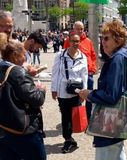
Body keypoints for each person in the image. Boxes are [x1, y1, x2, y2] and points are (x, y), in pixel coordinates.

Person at [78, 20, 127, 160]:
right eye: (102, 38)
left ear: (118, 40)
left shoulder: (117, 59)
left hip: (110, 120)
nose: (103, 41)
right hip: (121, 117)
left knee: (107, 153)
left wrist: (90, 94)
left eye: (107, 38)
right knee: (117, 152)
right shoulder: (126, 55)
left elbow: (112, 95)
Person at [0, 32, 46, 160]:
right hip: (23, 130)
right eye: (23, 55)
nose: (25, 59)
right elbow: (37, 99)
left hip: (4, 127)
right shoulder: (18, 72)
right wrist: (41, 90)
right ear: (15, 56)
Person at [51, 32, 88, 153]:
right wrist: (54, 89)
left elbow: (85, 76)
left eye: (77, 41)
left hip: (77, 91)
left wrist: (84, 92)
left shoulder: (83, 57)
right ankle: (67, 139)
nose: (75, 44)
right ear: (68, 41)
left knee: (75, 116)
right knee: (65, 116)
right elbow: (55, 73)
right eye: (73, 41)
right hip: (63, 91)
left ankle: (70, 138)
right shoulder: (60, 55)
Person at [64, 21, 97, 121]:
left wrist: (94, 66)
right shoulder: (68, 41)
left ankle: (87, 117)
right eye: (78, 29)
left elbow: (93, 55)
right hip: (76, 75)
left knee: (89, 97)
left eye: (82, 28)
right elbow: (65, 57)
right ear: (73, 29)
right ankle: (75, 118)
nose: (80, 31)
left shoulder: (88, 41)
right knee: (75, 97)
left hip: (89, 74)